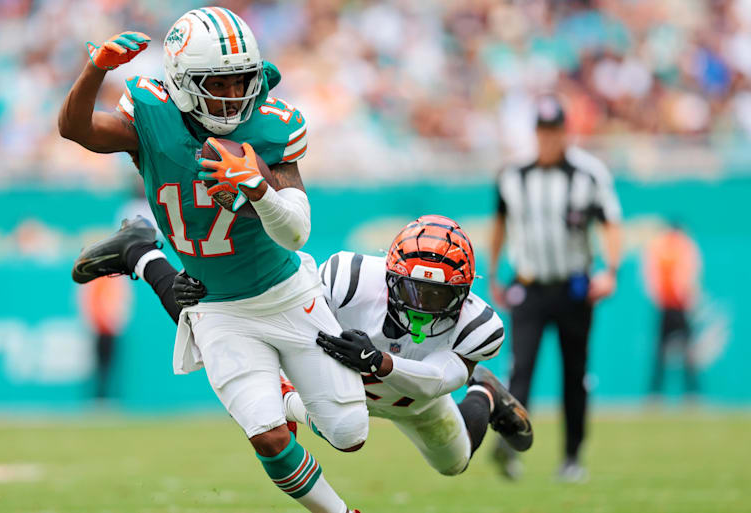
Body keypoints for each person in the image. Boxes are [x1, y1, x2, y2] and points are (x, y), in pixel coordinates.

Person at [59, 9, 367, 513]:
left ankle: (140, 252)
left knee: (350, 433)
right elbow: (78, 130)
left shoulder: (271, 128)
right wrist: (95, 69)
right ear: (182, 82)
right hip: (216, 304)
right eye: (216, 83)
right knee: (267, 435)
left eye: (240, 80)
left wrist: (258, 188)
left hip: (287, 292)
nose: (232, 94)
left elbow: (296, 232)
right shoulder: (152, 117)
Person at [76, 214, 534, 479]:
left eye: (436, 296)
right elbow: (273, 304)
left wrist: (381, 362)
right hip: (332, 379)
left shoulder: (478, 325)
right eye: (414, 290)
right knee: (219, 326)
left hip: (413, 397)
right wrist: (207, 289)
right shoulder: (350, 280)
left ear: (463, 295)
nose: (422, 305)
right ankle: (143, 255)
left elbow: (439, 379)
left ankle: (486, 392)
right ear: (389, 275)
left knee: (454, 464)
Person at [489, 95, 622, 482]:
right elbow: (499, 222)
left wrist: (611, 271)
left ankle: (572, 457)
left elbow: (610, 222)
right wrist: (494, 274)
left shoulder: (588, 173)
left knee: (574, 376)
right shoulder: (513, 174)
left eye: (554, 131)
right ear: (535, 133)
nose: (548, 139)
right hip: (529, 285)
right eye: (543, 131)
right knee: (520, 371)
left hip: (573, 287)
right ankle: (510, 447)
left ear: (566, 132)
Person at [642, 221, 701, 400]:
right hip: (666, 306)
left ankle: (692, 392)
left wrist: (688, 297)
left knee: (688, 351)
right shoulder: (661, 248)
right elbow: (652, 275)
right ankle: (656, 392)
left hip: (681, 307)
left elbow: (690, 276)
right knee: (661, 352)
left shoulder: (685, 247)